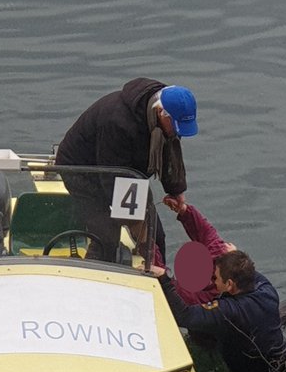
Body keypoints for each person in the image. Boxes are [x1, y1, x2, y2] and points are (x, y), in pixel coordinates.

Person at [55, 77, 198, 263]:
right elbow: (110, 176)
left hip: (130, 172)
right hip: (84, 170)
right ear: (161, 112)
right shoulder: (117, 122)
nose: (178, 134)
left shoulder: (167, 116)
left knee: (155, 238)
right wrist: (131, 220)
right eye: (177, 127)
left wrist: (176, 190)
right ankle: (96, 271)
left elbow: (170, 151)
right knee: (106, 236)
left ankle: (159, 278)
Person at [153, 249, 286, 372]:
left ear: (230, 285)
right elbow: (246, 270)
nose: (213, 281)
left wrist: (163, 279)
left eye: (216, 277)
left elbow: (184, 316)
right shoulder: (265, 288)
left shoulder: (228, 311)